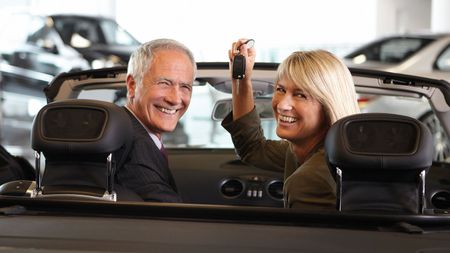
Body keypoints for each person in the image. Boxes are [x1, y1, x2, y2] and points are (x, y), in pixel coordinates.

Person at [222, 39, 360, 210]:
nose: (282, 105)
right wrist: (242, 80)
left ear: (328, 105)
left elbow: (308, 237)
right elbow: (253, 149)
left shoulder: (309, 181)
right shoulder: (320, 151)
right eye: (280, 89)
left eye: (300, 95)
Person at [115, 38, 196, 202]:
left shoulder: (130, 133)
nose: (175, 99)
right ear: (132, 85)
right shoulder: (135, 150)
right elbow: (171, 220)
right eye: (164, 83)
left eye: (185, 87)